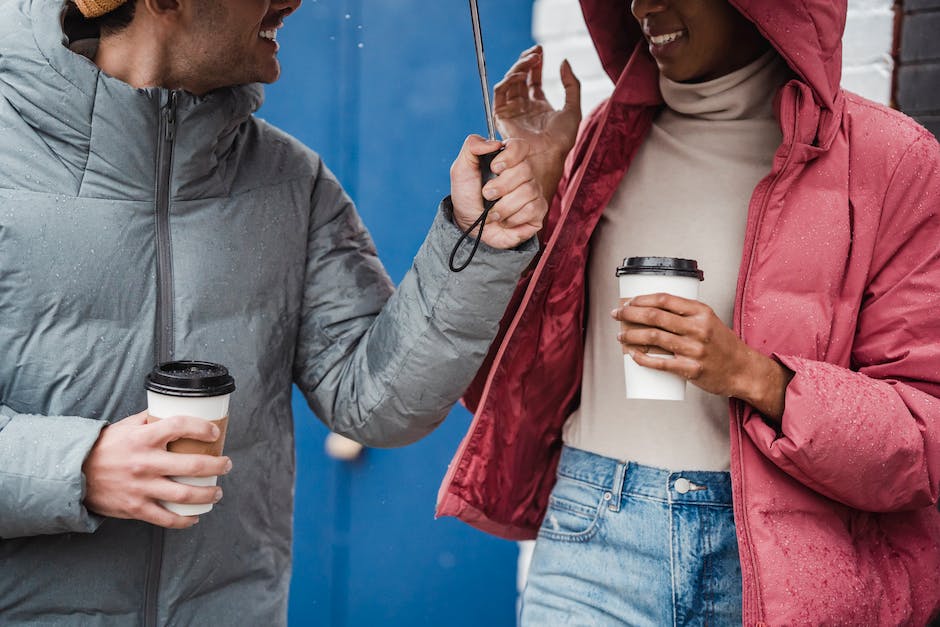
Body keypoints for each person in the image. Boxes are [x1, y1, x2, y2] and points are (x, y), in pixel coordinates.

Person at [0, 0, 548, 623]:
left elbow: (373, 402)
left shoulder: (292, 181)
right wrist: (76, 466)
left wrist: (478, 245)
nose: (293, 3)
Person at [436, 0, 940, 624]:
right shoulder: (603, 140)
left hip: (781, 563)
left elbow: (925, 435)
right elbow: (501, 375)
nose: (645, 5)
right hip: (595, 535)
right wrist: (539, 199)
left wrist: (755, 376)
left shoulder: (891, 163)